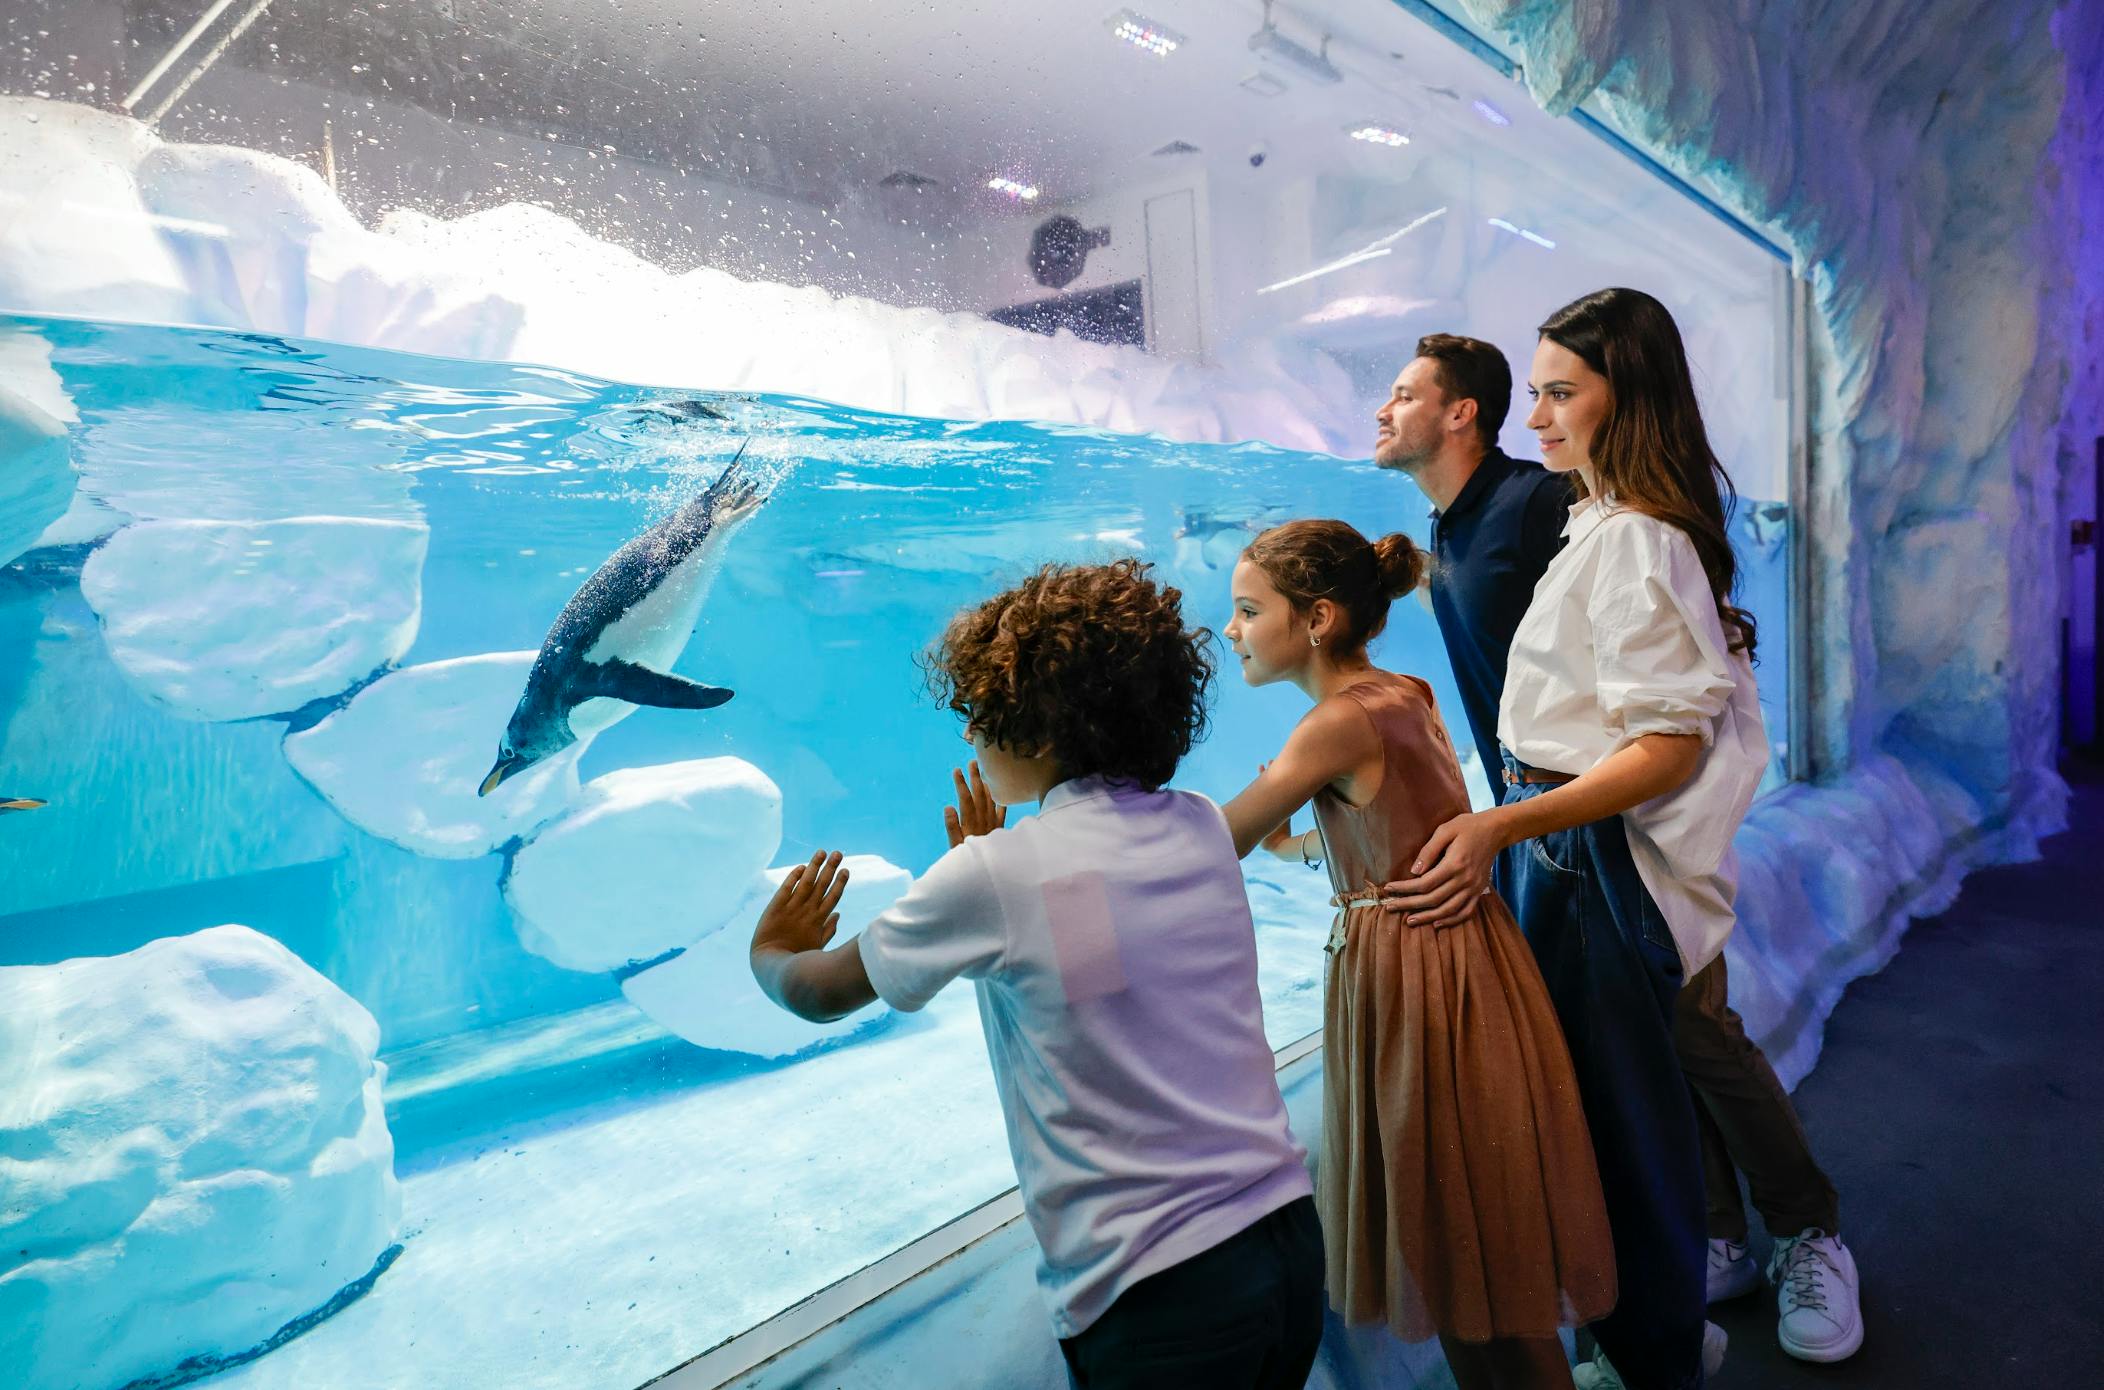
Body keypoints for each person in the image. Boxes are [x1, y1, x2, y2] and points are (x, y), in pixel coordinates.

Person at [1378, 329, 1862, 1372]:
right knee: (1644, 1064)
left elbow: (1674, 690)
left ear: (1459, 411)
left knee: (1690, 1037)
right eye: (1538, 391)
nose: (1538, 415)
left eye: (1559, 393)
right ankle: (1714, 1239)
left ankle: (1803, 1230)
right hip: (1550, 830)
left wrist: (1540, 820)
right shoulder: (1476, 525)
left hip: (1609, 834)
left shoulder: (1557, 510)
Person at [747, 559, 1324, 1390]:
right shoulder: (1194, 824)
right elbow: (1089, 976)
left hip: (1155, 1293)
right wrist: (988, 876)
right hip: (1282, 1240)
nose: (970, 735)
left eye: (979, 713)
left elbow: (820, 992)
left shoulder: (1002, 877)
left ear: (1040, 732)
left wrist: (772, 952)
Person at [1216, 519, 1615, 1390]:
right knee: (1489, 1239)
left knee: (1444, 1235)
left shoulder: (1331, 725)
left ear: (1316, 618)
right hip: (1468, 959)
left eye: (1248, 610)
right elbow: (1398, 834)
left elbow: (1220, 839)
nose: (1231, 630)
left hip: (1410, 974)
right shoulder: (1408, 692)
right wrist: (1302, 845)